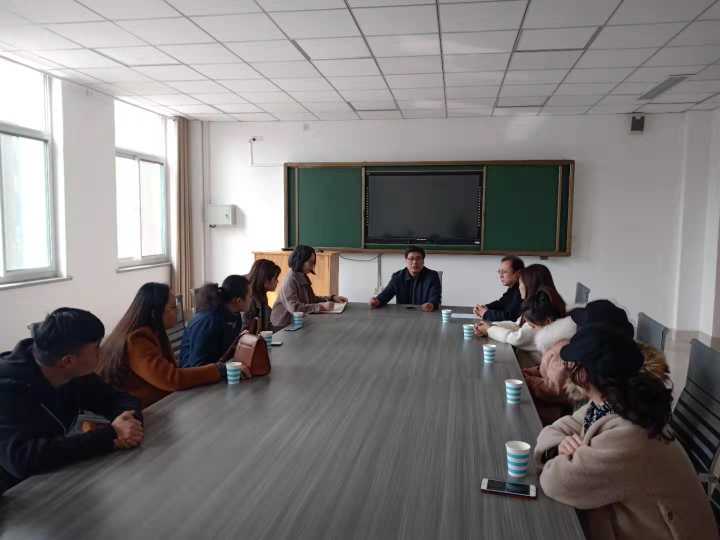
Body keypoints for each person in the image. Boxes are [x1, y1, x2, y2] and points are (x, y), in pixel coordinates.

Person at [535, 325, 717, 540]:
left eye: (570, 364)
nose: (567, 371)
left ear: (583, 375)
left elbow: (554, 481)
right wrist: (561, 447)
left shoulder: (628, 436)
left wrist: (564, 454)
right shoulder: (611, 402)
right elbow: (557, 428)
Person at [0, 308, 143, 492]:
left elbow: (118, 398)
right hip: (17, 494)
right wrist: (110, 435)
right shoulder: (7, 388)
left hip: (59, 477)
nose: (102, 351)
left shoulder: (73, 371)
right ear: (68, 361)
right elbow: (21, 459)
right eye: (96, 348)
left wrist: (129, 423)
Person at [98, 283, 233, 409]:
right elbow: (172, 379)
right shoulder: (137, 340)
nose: (178, 312)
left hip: (157, 405)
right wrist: (217, 370)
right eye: (173, 308)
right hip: (136, 413)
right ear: (155, 312)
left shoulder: (154, 331)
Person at [473, 264, 565, 354]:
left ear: (530, 285)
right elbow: (516, 325)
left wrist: (489, 329)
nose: (519, 287)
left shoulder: (540, 310)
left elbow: (517, 339)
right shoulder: (534, 304)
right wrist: (490, 326)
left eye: (521, 283)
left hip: (531, 362)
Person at [179, 275, 250, 368]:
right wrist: (228, 369)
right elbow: (197, 365)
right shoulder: (208, 321)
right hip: (194, 373)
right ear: (238, 301)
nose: (251, 299)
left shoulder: (235, 316)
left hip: (216, 368)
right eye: (250, 296)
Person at [271, 245, 347, 328]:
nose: (312, 266)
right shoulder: (290, 281)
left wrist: (331, 298)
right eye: (310, 262)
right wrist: (321, 307)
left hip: (297, 322)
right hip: (283, 326)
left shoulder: (302, 276)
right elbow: (295, 308)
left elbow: (311, 299)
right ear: (300, 261)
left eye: (313, 262)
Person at [369, 245, 442, 312]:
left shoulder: (432, 276)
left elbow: (435, 297)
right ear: (406, 261)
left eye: (418, 258)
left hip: (425, 314)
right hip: (403, 315)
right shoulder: (397, 277)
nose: (414, 262)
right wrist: (377, 301)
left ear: (423, 261)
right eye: (411, 259)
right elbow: (386, 294)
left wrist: (431, 305)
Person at [473, 255, 525, 322]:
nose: (501, 276)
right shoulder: (513, 288)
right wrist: (485, 307)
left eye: (504, 272)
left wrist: (486, 313)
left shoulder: (522, 290)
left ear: (518, 273)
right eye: (499, 272)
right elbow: (502, 303)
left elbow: (511, 317)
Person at [244, 259, 281, 334]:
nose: (277, 281)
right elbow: (245, 332)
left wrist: (286, 329)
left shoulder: (261, 296)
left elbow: (267, 327)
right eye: (275, 278)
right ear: (265, 280)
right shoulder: (249, 301)